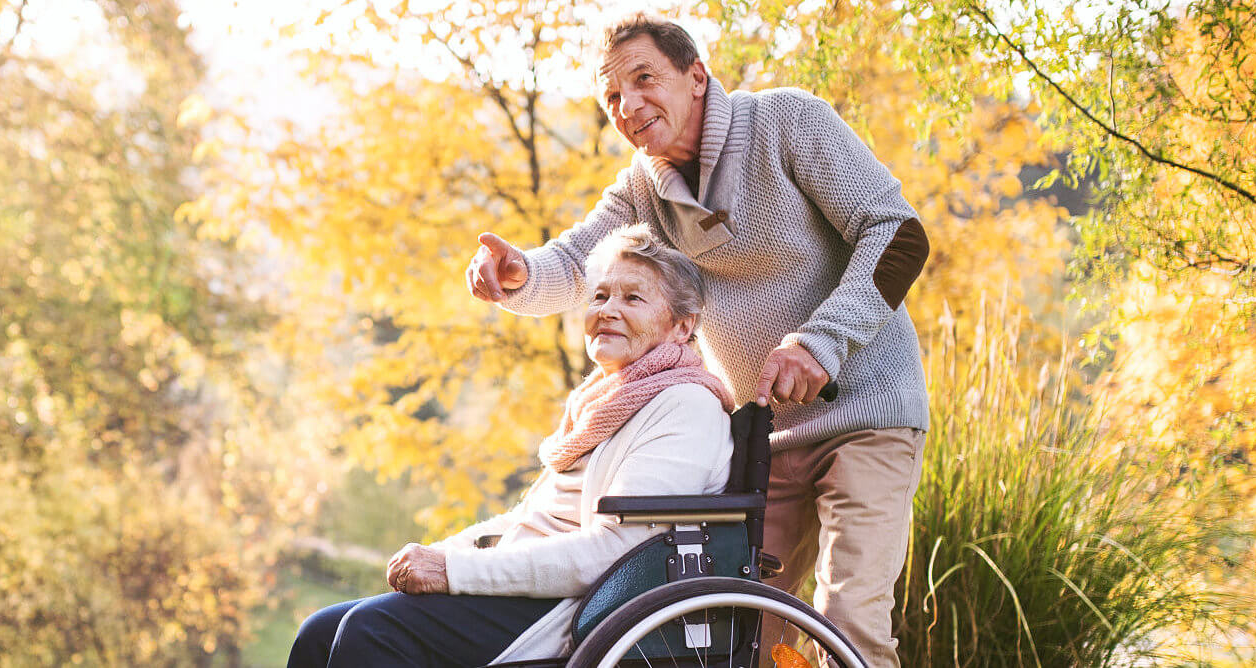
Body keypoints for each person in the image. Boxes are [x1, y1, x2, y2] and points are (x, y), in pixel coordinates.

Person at [464, 13, 930, 667]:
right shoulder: (645, 187)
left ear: (697, 76)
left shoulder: (787, 122)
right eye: (613, 96)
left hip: (868, 416)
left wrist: (821, 344)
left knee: (847, 627)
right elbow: (576, 265)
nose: (629, 105)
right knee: (734, 631)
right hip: (766, 435)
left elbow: (898, 232)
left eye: (644, 79)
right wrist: (517, 276)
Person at [290, 226, 736, 667]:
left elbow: (613, 551)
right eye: (599, 297)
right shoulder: (605, 400)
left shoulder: (685, 405)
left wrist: (454, 572)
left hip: (578, 607)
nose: (607, 310)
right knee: (320, 630)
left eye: (632, 298)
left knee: (370, 632)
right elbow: (532, 521)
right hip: (529, 584)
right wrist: (447, 552)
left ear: (682, 326)